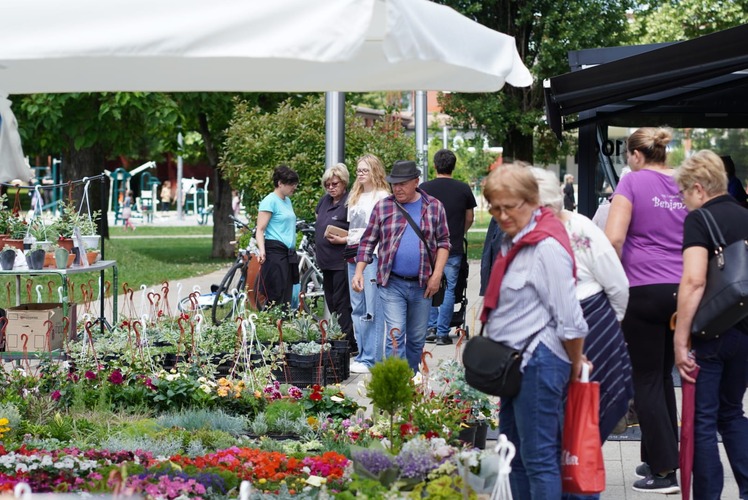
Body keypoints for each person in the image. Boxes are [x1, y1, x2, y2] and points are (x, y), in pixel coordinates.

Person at [481, 162, 588, 498]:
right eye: (495, 208)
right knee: (512, 455)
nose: (501, 215)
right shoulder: (516, 239)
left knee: (539, 459)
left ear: (531, 201)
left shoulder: (546, 247)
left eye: (509, 207)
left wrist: (575, 365)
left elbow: (570, 320)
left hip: (539, 366)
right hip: (515, 365)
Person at [605, 126, 686, 494]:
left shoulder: (633, 184)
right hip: (680, 291)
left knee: (646, 380)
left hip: (642, 291)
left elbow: (615, 238)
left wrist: (606, 284)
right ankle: (660, 456)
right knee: (662, 377)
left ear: (636, 156)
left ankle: (666, 470)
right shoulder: (684, 184)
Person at [534, 167, 633, 449]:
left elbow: (617, 286)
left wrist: (610, 326)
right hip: (548, 331)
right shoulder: (524, 231)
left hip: (592, 324)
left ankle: (579, 469)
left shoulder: (581, 228)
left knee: (588, 411)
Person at [673, 150, 748, 500]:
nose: (684, 201)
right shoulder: (745, 214)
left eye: (684, 193)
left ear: (699, 189)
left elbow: (694, 281)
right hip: (745, 331)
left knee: (703, 420)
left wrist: (680, 340)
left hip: (712, 333)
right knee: (732, 412)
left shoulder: (699, 220)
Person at [352, 160, 450, 373]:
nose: (397, 188)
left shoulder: (434, 206)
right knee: (395, 335)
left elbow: (444, 242)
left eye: (403, 183)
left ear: (416, 182)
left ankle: (411, 375)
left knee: (416, 337)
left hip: (423, 284)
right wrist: (359, 271)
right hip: (392, 282)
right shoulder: (383, 207)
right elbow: (368, 242)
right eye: (394, 183)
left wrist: (437, 275)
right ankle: (397, 381)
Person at [420, 149, 476, 345]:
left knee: (431, 285)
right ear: (454, 166)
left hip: (429, 248)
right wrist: (459, 233)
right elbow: (469, 218)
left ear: (435, 166)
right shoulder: (463, 189)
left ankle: (430, 327)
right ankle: (443, 333)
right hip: (453, 247)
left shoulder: (424, 188)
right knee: (450, 288)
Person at [345, 154, 390, 374]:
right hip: (352, 253)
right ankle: (362, 354)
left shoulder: (382, 196)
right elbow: (353, 228)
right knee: (357, 308)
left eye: (364, 170)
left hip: (373, 256)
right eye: (358, 170)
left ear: (374, 170)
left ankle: (372, 357)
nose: (360, 173)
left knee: (373, 308)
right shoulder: (355, 195)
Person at [315, 163, 354, 350]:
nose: (331, 187)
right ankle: (339, 336)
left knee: (342, 303)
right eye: (327, 184)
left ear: (344, 183)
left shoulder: (350, 202)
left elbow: (357, 232)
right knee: (330, 301)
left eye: (335, 184)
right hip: (325, 262)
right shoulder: (324, 201)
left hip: (341, 261)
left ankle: (348, 342)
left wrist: (343, 238)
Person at [255, 165, 299, 312]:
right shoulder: (270, 201)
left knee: (286, 294)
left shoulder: (288, 201)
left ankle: (282, 327)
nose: (294, 187)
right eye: (291, 184)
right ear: (280, 183)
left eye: (295, 184)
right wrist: (262, 251)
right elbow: (260, 229)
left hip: (288, 253)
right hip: (275, 251)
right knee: (276, 293)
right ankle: (272, 325)